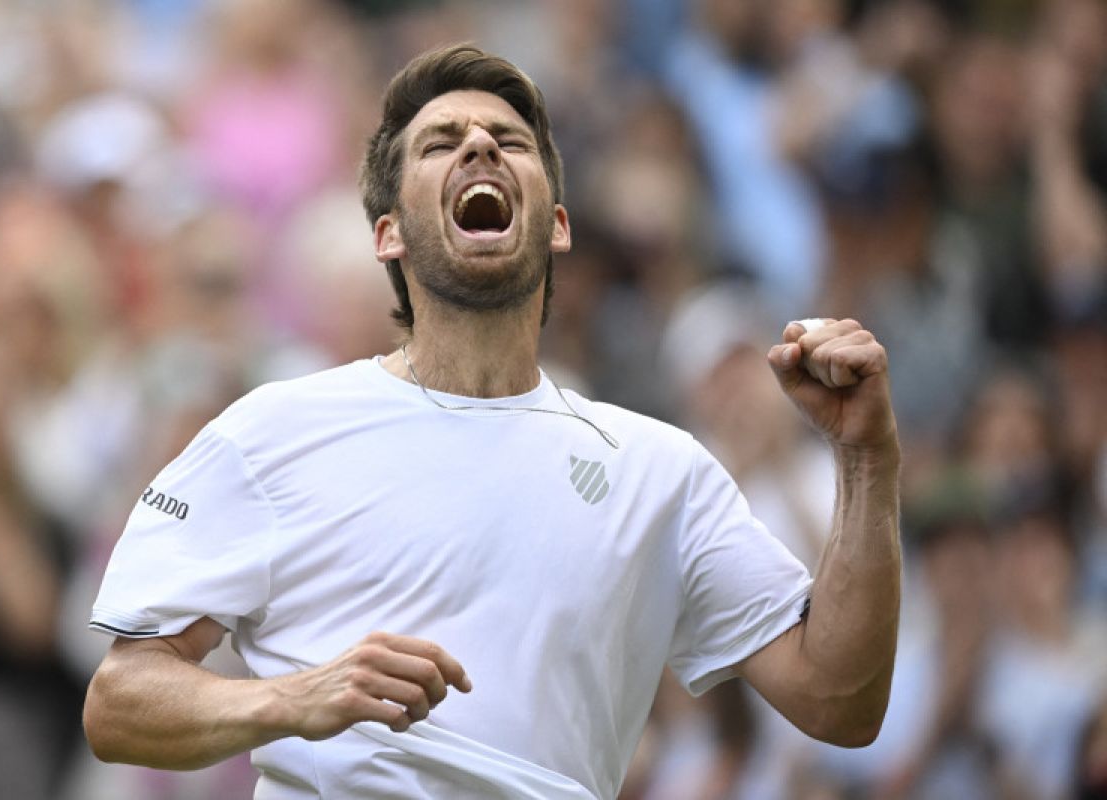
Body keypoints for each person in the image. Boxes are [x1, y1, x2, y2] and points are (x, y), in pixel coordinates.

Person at [81, 44, 902, 799]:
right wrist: (294, 697)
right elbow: (119, 702)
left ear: (557, 224)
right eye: (441, 143)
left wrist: (867, 460)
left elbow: (838, 702)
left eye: (509, 141)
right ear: (388, 235)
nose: (479, 147)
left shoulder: (663, 471)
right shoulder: (270, 431)